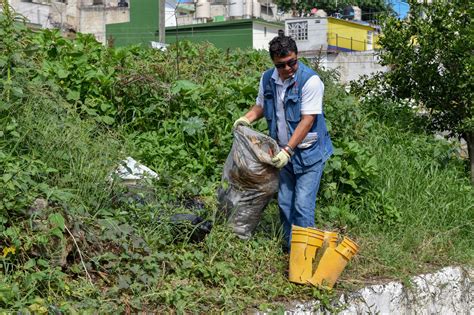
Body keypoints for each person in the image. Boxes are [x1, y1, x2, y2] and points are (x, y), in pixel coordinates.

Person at [233, 30, 333, 249]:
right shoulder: (268, 79)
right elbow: (261, 105)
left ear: (297, 56)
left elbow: (307, 120)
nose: (287, 69)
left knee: (302, 206)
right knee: (285, 204)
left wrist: (287, 150)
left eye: (291, 63)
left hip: (308, 154)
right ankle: (291, 252)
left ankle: (305, 255)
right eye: (281, 65)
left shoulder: (311, 81)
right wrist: (245, 120)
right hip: (281, 152)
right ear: (274, 63)